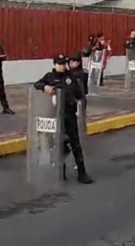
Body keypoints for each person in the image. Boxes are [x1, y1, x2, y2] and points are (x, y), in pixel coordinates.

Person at [34, 54, 93, 184]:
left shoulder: (70, 77)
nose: (61, 66)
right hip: (55, 115)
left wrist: (73, 98)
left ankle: (82, 173)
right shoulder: (49, 77)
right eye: (59, 64)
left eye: (63, 64)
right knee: (58, 144)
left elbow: (79, 93)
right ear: (54, 64)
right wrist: (45, 87)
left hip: (69, 114)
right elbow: (36, 84)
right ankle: (61, 172)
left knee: (75, 144)